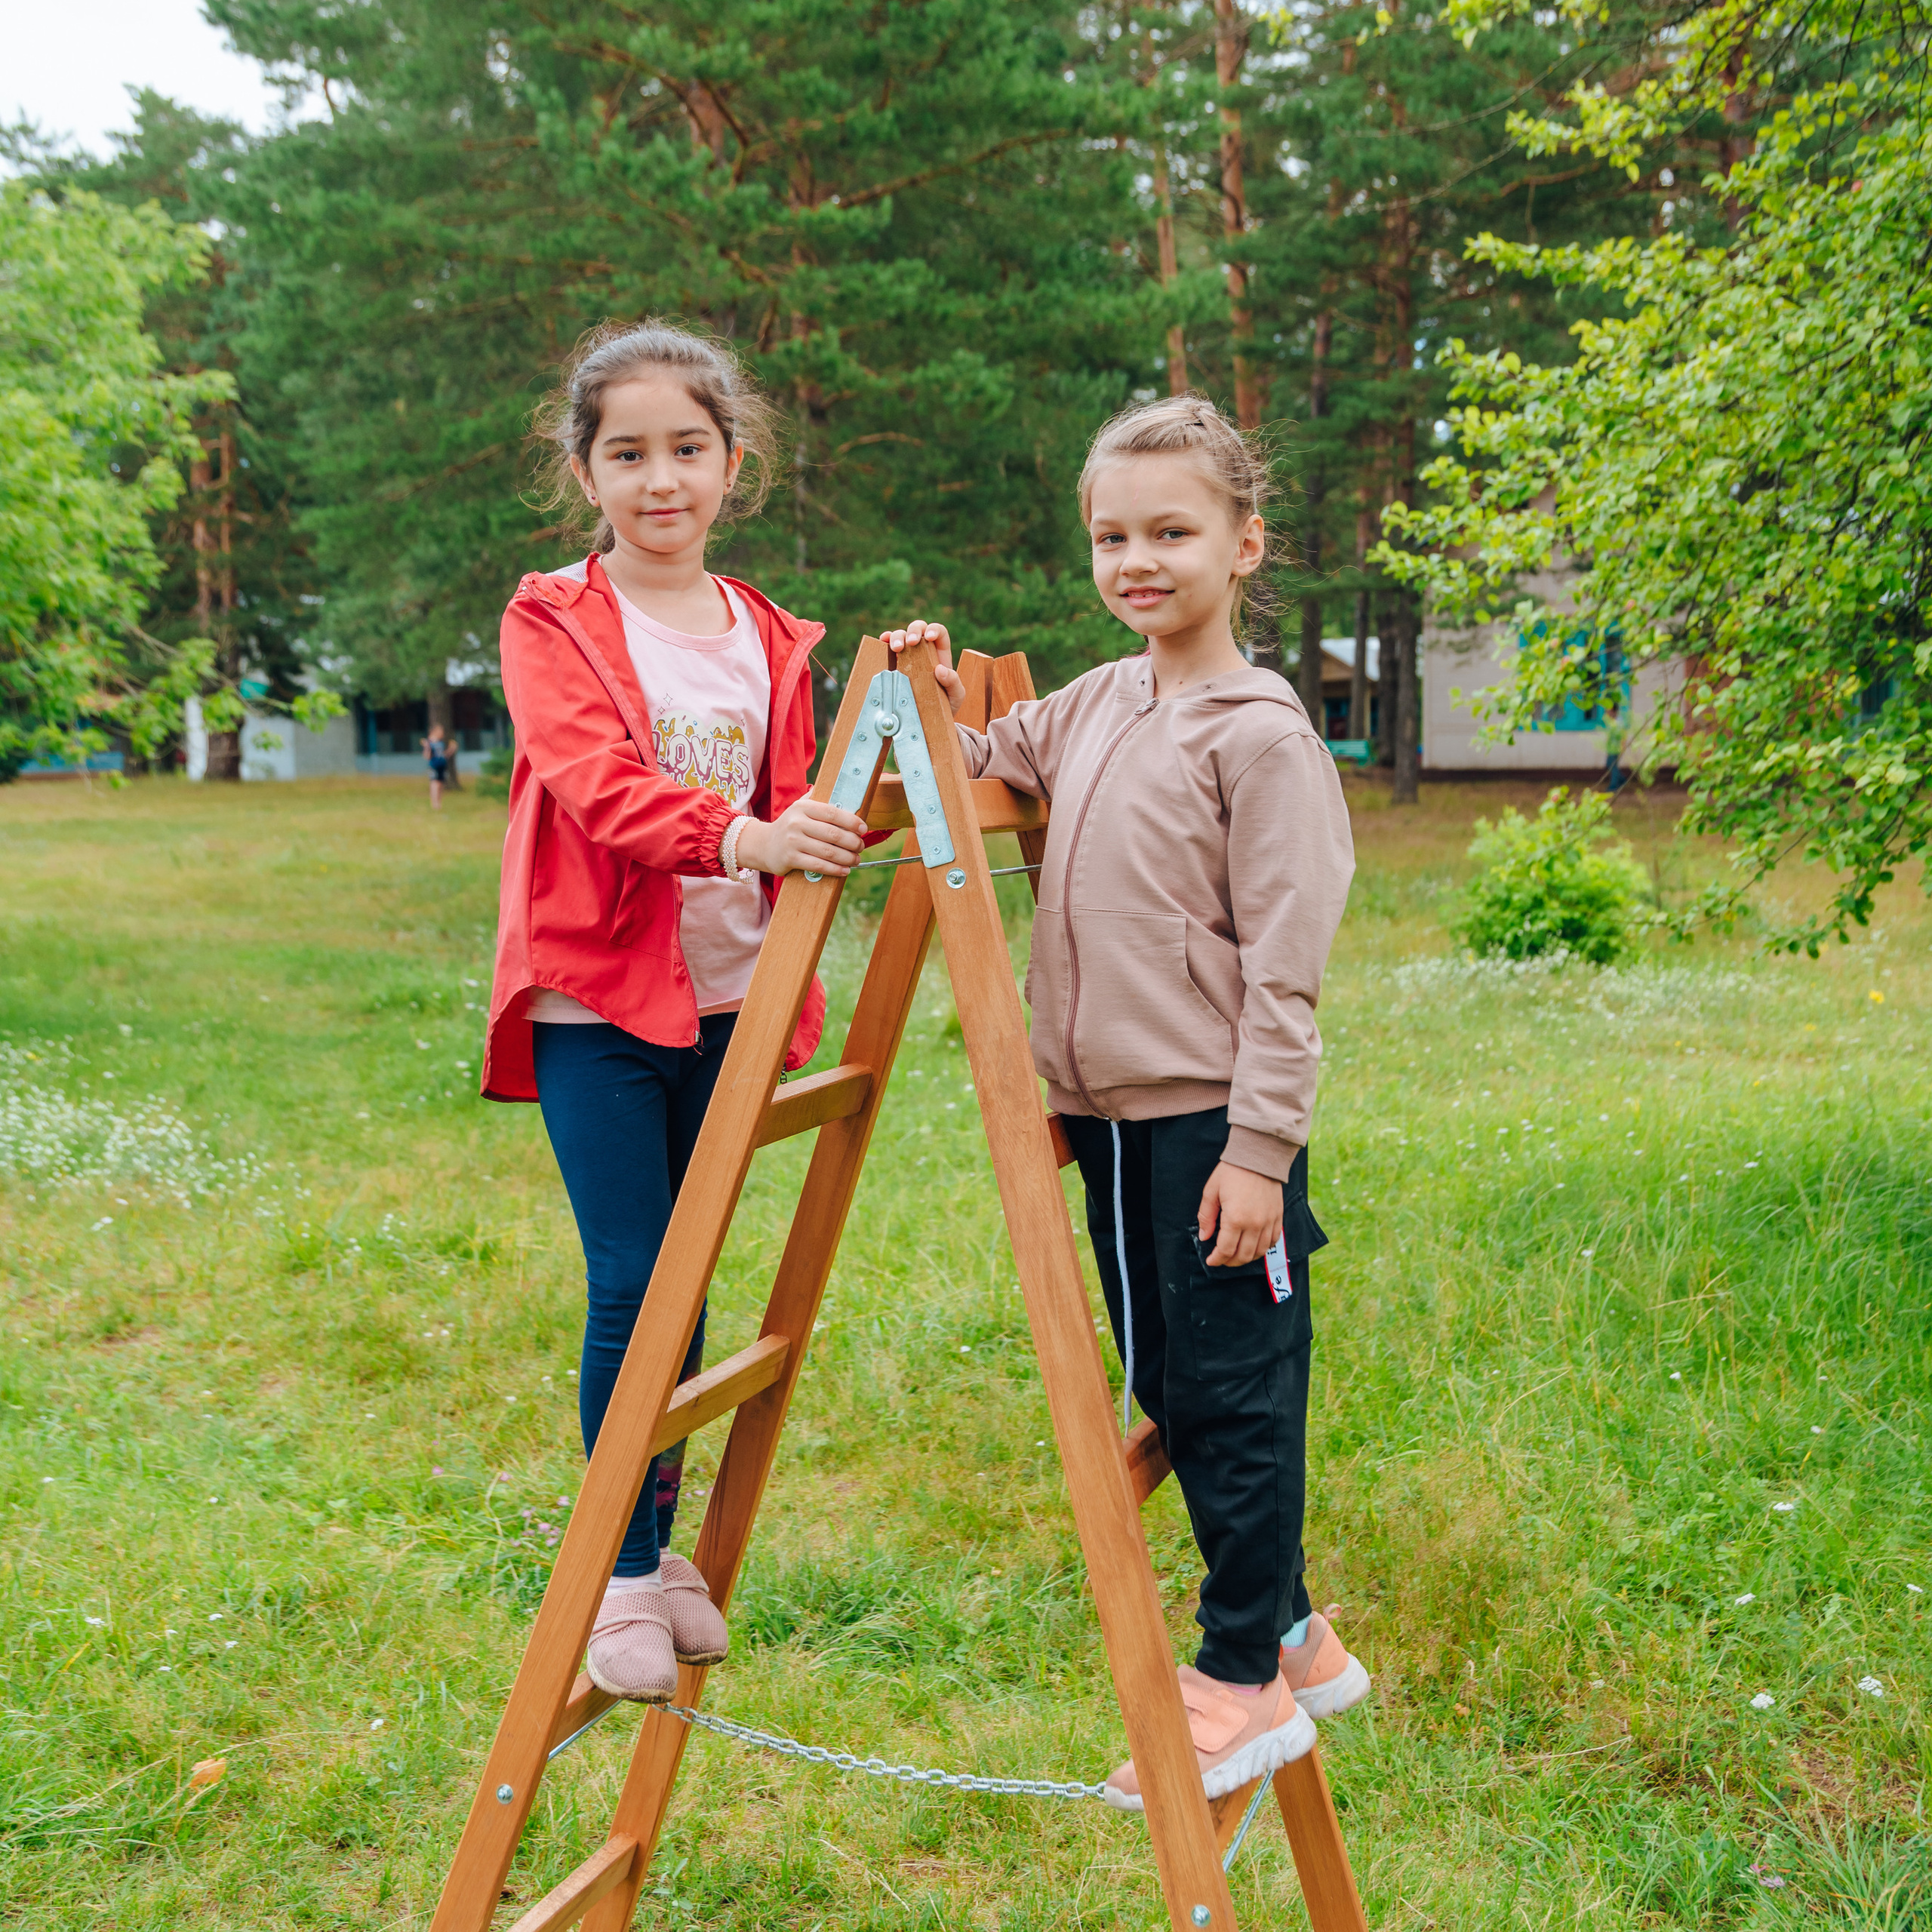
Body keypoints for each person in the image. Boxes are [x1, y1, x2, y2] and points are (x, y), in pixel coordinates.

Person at [887, 394, 1367, 1810]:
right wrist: (921, 682)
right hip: (1099, 1116)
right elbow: (971, 763)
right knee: (1169, 1376)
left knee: (1229, 1385)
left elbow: (1288, 970)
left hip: (1213, 1121)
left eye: (1172, 531)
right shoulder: (1099, 700)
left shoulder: (1261, 736)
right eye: (1112, 535)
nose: (1138, 559)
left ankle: (1239, 1673)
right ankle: (1290, 1626)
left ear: (1244, 543)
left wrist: (1262, 1151)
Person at [478, 319, 869, 1703]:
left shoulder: (768, 632)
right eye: (628, 452)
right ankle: (619, 1579)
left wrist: (903, 688)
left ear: (732, 463)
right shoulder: (555, 619)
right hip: (600, 996)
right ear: (584, 471)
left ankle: (658, 1543)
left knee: (691, 1274)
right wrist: (750, 839)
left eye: (687, 450)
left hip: (729, 1001)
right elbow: (595, 786)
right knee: (635, 1277)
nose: (662, 479)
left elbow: (815, 780)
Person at [423, 722, 451, 808]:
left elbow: (443, 755)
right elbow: (427, 756)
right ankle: (434, 803)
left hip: (442, 765)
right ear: (435, 731)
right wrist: (427, 747)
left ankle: (439, 803)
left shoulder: (441, 743)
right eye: (441, 731)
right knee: (435, 784)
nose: (442, 733)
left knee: (441, 784)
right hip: (434, 765)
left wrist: (451, 749)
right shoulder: (429, 742)